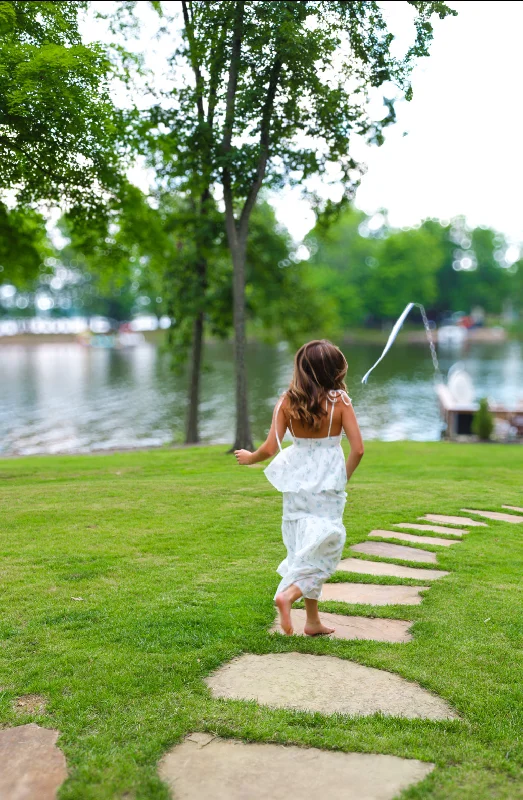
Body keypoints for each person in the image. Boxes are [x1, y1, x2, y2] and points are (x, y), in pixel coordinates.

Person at [235, 340, 364, 636]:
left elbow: (270, 447)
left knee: (304, 547)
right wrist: (342, 478)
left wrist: (250, 458)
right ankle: (288, 595)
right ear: (332, 370)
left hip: (296, 483)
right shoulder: (340, 402)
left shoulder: (286, 401)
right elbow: (358, 449)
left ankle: (313, 621)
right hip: (327, 485)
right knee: (328, 544)